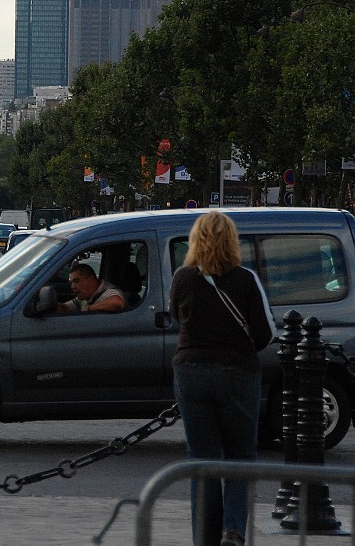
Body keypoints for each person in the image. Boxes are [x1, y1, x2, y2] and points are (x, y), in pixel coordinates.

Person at [169, 211, 276, 546]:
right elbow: (265, 334)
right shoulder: (246, 279)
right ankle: (232, 531)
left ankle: (203, 537)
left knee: (202, 460)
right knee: (241, 457)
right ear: (232, 240)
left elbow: (177, 318)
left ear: (195, 240)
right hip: (237, 372)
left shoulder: (182, 277)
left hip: (191, 370)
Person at [55, 263, 126, 314]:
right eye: (71, 283)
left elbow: (117, 303)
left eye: (77, 281)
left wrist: (88, 308)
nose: (72, 286)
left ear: (90, 280)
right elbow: (66, 308)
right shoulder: (85, 297)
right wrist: (50, 305)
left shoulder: (108, 292)